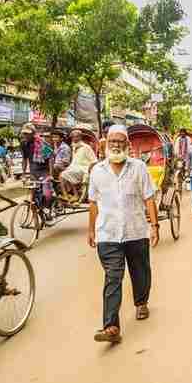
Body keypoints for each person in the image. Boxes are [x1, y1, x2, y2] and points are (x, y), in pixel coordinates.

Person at [88, 124, 159, 343]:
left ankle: (141, 303)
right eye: (112, 142)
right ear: (105, 144)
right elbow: (93, 202)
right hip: (107, 234)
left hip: (135, 230)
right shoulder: (97, 171)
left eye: (120, 142)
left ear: (128, 145)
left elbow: (149, 198)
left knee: (140, 271)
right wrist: (91, 230)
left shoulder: (138, 167)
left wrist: (155, 226)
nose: (116, 145)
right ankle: (111, 326)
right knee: (113, 277)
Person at [60, 129, 97, 202]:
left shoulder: (86, 147)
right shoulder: (74, 147)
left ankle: (75, 195)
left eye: (76, 137)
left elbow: (94, 161)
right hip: (74, 168)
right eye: (73, 137)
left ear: (80, 137)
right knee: (62, 173)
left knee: (65, 174)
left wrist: (89, 171)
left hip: (84, 169)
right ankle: (66, 195)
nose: (74, 138)